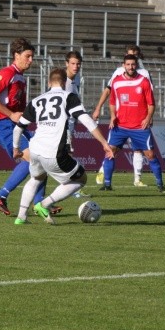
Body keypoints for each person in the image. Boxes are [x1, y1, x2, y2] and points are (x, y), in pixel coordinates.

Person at [12, 67, 113, 225]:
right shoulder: (68, 97)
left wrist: (16, 148)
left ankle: (21, 217)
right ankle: (43, 205)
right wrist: (104, 143)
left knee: (35, 178)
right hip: (53, 151)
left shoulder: (37, 100)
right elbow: (86, 120)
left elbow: (18, 128)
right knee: (80, 179)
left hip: (35, 149)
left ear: (49, 82)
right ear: (65, 82)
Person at [0, 37, 60, 217]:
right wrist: (10, 115)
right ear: (16, 55)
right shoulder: (7, 73)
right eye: (28, 56)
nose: (31, 60)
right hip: (1, 124)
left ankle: (39, 203)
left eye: (32, 56)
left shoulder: (20, 78)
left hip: (14, 125)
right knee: (32, 158)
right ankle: (0, 195)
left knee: (42, 156)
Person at [99, 53, 165, 193]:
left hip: (139, 127)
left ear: (137, 65)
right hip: (120, 126)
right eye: (128, 64)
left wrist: (148, 118)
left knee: (150, 155)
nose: (131, 67)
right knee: (110, 152)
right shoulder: (116, 81)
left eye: (133, 64)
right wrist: (112, 116)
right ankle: (107, 184)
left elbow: (151, 104)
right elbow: (112, 102)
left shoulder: (144, 81)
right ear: (123, 66)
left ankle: (160, 184)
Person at [92, 44, 154, 187]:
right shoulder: (119, 72)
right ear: (125, 58)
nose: (132, 60)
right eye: (130, 55)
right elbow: (109, 90)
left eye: (136, 55)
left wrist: (150, 117)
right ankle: (103, 171)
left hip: (139, 118)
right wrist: (98, 107)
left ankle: (137, 179)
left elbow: (150, 98)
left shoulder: (144, 73)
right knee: (113, 149)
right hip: (121, 118)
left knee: (138, 149)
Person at [64, 50, 83, 153]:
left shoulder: (77, 78)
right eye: (73, 64)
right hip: (62, 124)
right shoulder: (62, 80)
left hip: (71, 122)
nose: (76, 66)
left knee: (67, 152)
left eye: (78, 64)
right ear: (66, 64)